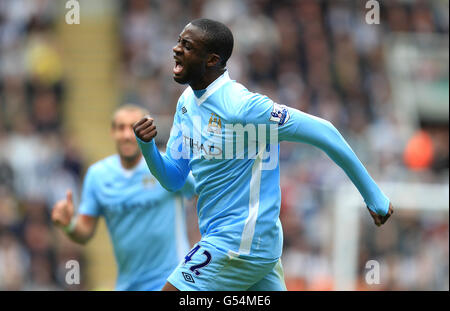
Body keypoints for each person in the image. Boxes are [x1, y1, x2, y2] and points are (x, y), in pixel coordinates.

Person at [133, 18, 394, 291]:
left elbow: (325, 132)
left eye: (186, 45)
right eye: (178, 42)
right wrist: (148, 147)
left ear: (211, 60)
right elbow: (174, 178)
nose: (176, 49)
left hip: (238, 242)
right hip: (253, 245)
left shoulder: (241, 107)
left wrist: (373, 196)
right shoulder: (187, 103)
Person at [52, 104, 196, 290]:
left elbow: (202, 192)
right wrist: (68, 224)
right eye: (121, 128)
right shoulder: (98, 176)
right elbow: (85, 232)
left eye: (134, 127)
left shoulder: (167, 166)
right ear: (112, 132)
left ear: (148, 131)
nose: (128, 135)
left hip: (171, 282)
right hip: (128, 285)